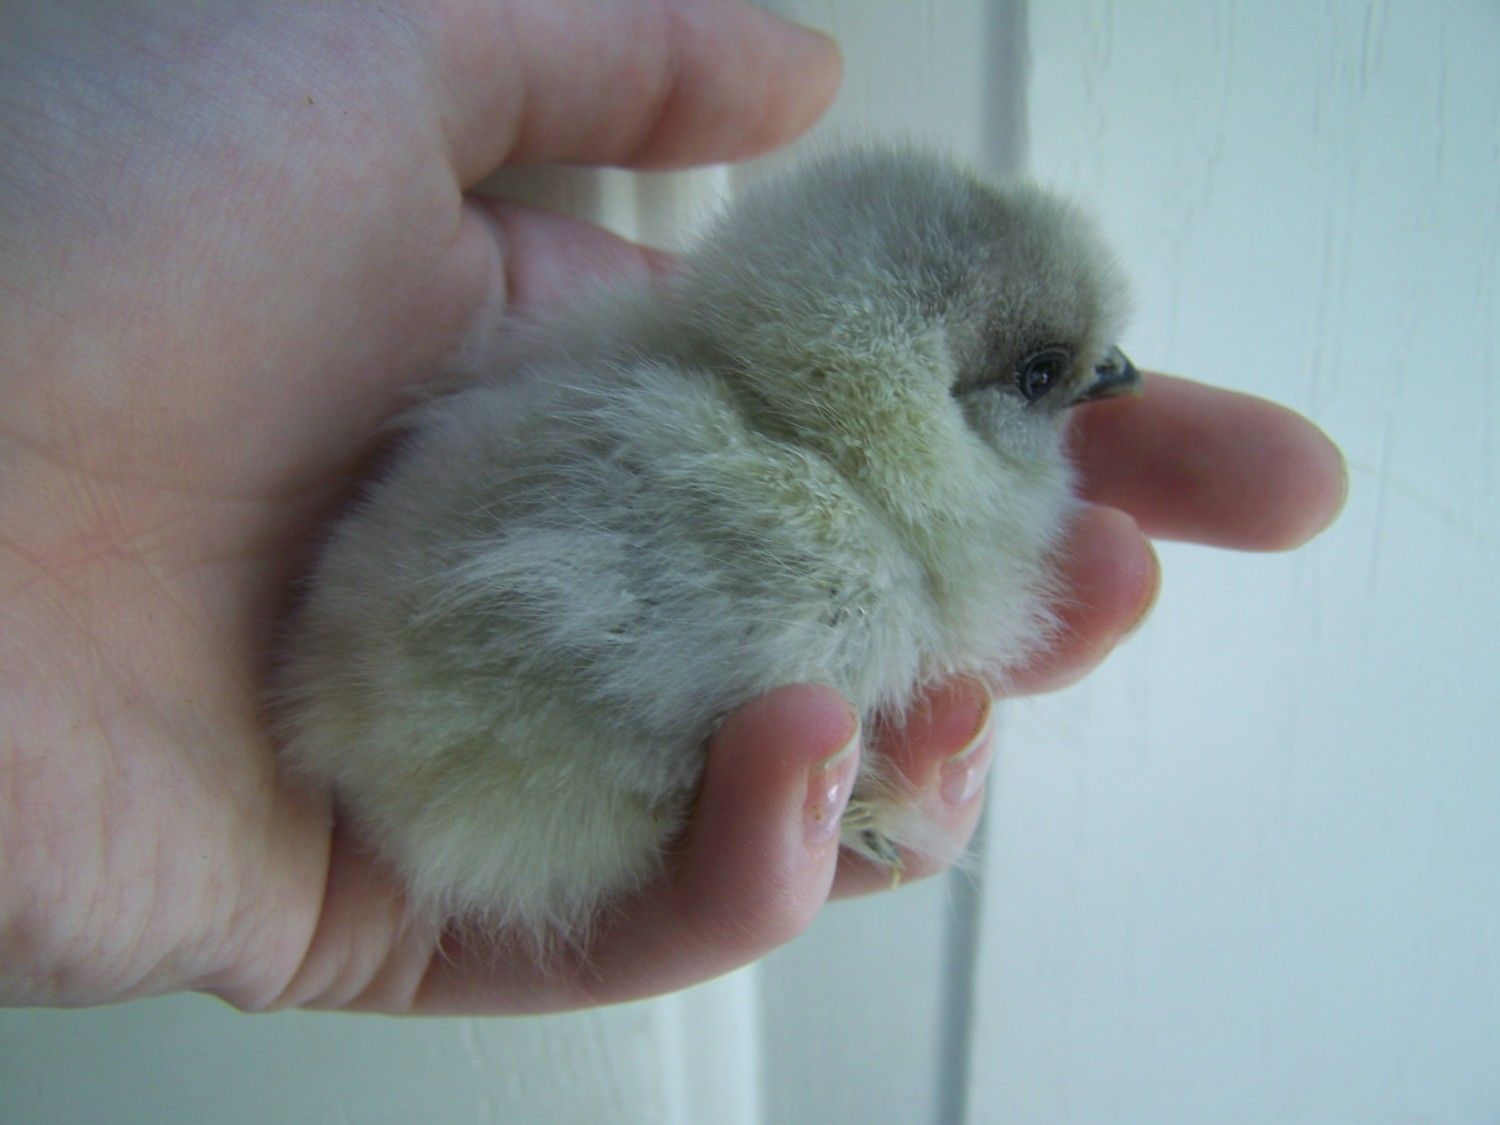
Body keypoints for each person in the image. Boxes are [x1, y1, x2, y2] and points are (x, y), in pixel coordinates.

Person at [0, 1, 1345, 1015]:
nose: (1099, 383)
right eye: (1047, 372)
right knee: (808, 756)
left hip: (328, 703)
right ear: (930, 400)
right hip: (416, 766)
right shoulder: (836, 569)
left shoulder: (643, 354)